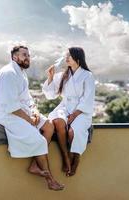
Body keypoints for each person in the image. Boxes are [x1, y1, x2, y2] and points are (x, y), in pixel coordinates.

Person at [0, 45, 64, 191]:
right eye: (24, 55)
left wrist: (35, 112)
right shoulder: (9, 73)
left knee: (49, 126)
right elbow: (11, 105)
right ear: (15, 57)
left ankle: (34, 165)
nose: (27, 57)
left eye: (28, 55)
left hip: (24, 113)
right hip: (8, 115)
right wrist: (29, 119)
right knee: (39, 140)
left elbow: (28, 98)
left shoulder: (21, 73)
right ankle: (50, 179)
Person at [42, 47, 95, 176]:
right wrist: (50, 77)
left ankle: (75, 159)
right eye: (66, 55)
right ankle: (66, 158)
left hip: (81, 110)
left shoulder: (87, 76)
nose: (66, 58)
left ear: (77, 57)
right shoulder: (62, 75)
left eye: (69, 55)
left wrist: (75, 114)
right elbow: (50, 95)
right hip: (64, 107)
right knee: (58, 122)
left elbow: (88, 98)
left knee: (72, 132)